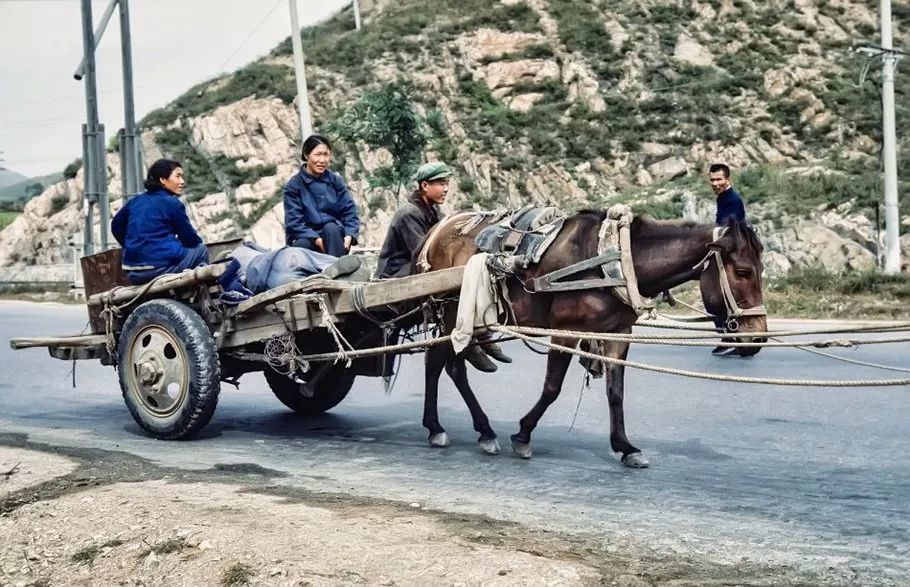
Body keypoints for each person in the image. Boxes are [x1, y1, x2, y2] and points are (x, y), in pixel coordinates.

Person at [377, 162, 511, 372]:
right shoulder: (409, 214)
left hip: (415, 269)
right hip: (398, 274)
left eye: (447, 183)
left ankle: (481, 335)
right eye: (440, 183)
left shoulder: (432, 212)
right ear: (424, 186)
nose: (446, 188)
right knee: (458, 288)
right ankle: (471, 342)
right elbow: (424, 257)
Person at [111, 159, 250, 304]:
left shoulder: (135, 202)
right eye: (177, 176)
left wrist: (132, 245)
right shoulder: (172, 203)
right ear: (163, 179)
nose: (182, 181)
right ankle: (203, 299)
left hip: (133, 272)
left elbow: (116, 227)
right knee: (200, 250)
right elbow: (190, 239)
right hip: (158, 268)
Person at [284, 134, 360, 257]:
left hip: (333, 237)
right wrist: (318, 240)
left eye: (326, 155)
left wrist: (349, 236)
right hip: (307, 237)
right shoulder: (294, 186)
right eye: (317, 154)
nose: (322, 160)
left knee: (331, 228)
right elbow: (294, 223)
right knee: (301, 247)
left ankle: (338, 267)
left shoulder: (335, 181)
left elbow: (350, 212)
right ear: (306, 155)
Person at [707, 163, 746, 355]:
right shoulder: (723, 197)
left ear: (728, 179)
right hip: (726, 251)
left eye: (719, 179)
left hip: (732, 254)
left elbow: (729, 229)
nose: (715, 183)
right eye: (712, 180)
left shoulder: (733, 200)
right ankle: (727, 335)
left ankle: (732, 337)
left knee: (719, 297)